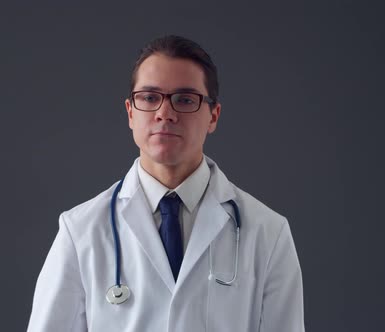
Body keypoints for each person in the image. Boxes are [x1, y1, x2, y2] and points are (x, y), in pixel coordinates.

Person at [27, 35, 304, 332]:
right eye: (149, 97)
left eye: (185, 100)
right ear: (131, 112)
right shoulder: (80, 231)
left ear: (213, 116)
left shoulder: (268, 233)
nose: (164, 113)